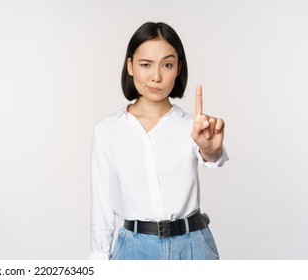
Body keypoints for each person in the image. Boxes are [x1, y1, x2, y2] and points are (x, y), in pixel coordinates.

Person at [89, 22, 229, 260]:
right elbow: (100, 206)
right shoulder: (107, 130)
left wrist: (210, 150)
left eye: (167, 64)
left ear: (178, 68)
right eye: (146, 64)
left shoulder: (192, 126)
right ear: (130, 66)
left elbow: (213, 157)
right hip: (134, 250)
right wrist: (98, 261)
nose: (156, 76)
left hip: (193, 246)